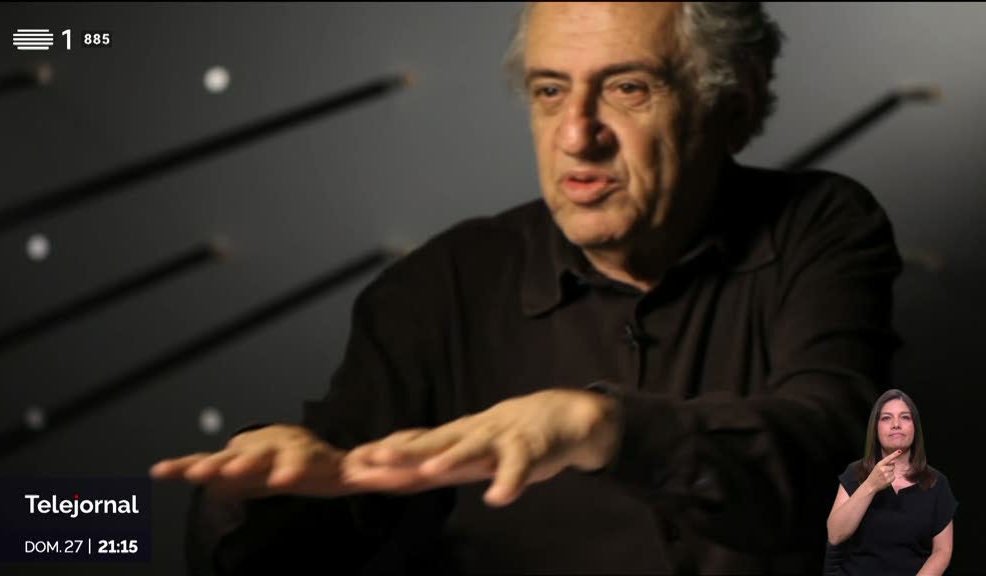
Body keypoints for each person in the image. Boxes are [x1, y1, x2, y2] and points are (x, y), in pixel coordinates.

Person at [151, 2, 905, 573]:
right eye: (550, 91)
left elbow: (840, 466)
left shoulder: (820, 226)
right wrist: (258, 492)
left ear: (732, 104)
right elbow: (314, 533)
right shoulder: (441, 283)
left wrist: (601, 427)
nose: (576, 135)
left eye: (627, 88)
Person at [826, 389, 956, 575]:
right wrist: (870, 485)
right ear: (876, 429)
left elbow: (942, 551)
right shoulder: (855, 473)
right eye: (886, 418)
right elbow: (835, 535)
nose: (896, 424)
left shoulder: (937, 482)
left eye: (905, 417)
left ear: (915, 428)